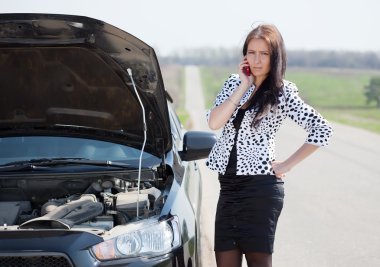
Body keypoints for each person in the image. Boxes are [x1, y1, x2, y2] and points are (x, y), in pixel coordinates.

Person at [206, 23, 333, 267]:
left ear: (275, 57)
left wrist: (288, 163)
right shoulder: (233, 84)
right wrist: (244, 84)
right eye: (252, 53)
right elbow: (214, 122)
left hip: (260, 191)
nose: (257, 60)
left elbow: (322, 129)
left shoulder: (281, 92)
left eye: (264, 53)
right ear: (244, 55)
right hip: (229, 188)